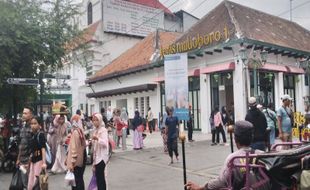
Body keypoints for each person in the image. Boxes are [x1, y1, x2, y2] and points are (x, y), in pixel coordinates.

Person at [185, 121, 262, 190]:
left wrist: (201, 187)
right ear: (252, 138)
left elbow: (221, 181)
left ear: (235, 139)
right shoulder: (261, 154)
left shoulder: (233, 158)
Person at [66, 114, 87, 190]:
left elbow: (74, 149)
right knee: (80, 179)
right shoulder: (80, 131)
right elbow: (84, 145)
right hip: (81, 160)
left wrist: (72, 163)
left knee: (76, 182)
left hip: (76, 162)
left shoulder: (75, 132)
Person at [16, 106, 34, 188]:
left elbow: (36, 147)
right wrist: (18, 159)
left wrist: (30, 161)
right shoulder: (23, 127)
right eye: (23, 113)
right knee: (24, 184)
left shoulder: (33, 128)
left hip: (30, 162)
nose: (23, 115)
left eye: (25, 113)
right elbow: (21, 145)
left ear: (31, 115)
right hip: (22, 161)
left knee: (30, 184)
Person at [28, 116, 47, 190]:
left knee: (38, 182)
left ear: (39, 125)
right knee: (32, 182)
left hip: (39, 162)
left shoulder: (41, 135)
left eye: (35, 123)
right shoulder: (33, 135)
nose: (33, 125)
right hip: (33, 161)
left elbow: (43, 149)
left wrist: (44, 163)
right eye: (31, 123)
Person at [92, 113, 109, 190]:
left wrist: (97, 139)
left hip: (101, 157)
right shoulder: (95, 130)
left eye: (96, 120)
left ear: (100, 120)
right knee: (98, 178)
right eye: (93, 120)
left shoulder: (103, 130)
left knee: (101, 178)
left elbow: (105, 143)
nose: (95, 122)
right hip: (96, 157)